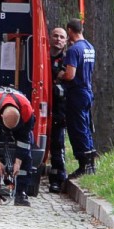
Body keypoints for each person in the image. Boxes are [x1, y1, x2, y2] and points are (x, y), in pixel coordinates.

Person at [0, 87, 35, 207]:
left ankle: (21, 192)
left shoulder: (27, 111)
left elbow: (24, 140)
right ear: (2, 116)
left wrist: (18, 163)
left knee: (26, 156)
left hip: (20, 124)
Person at [57, 18, 96, 177]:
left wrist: (61, 74)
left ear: (70, 31)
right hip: (87, 91)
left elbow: (70, 74)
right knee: (86, 125)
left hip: (76, 93)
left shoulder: (74, 50)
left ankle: (83, 164)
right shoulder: (89, 47)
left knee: (77, 128)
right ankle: (90, 162)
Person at [49, 27, 68, 193]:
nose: (58, 39)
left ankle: (57, 180)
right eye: (55, 36)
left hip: (59, 108)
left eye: (62, 37)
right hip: (42, 105)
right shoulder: (41, 55)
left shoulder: (67, 60)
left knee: (57, 145)